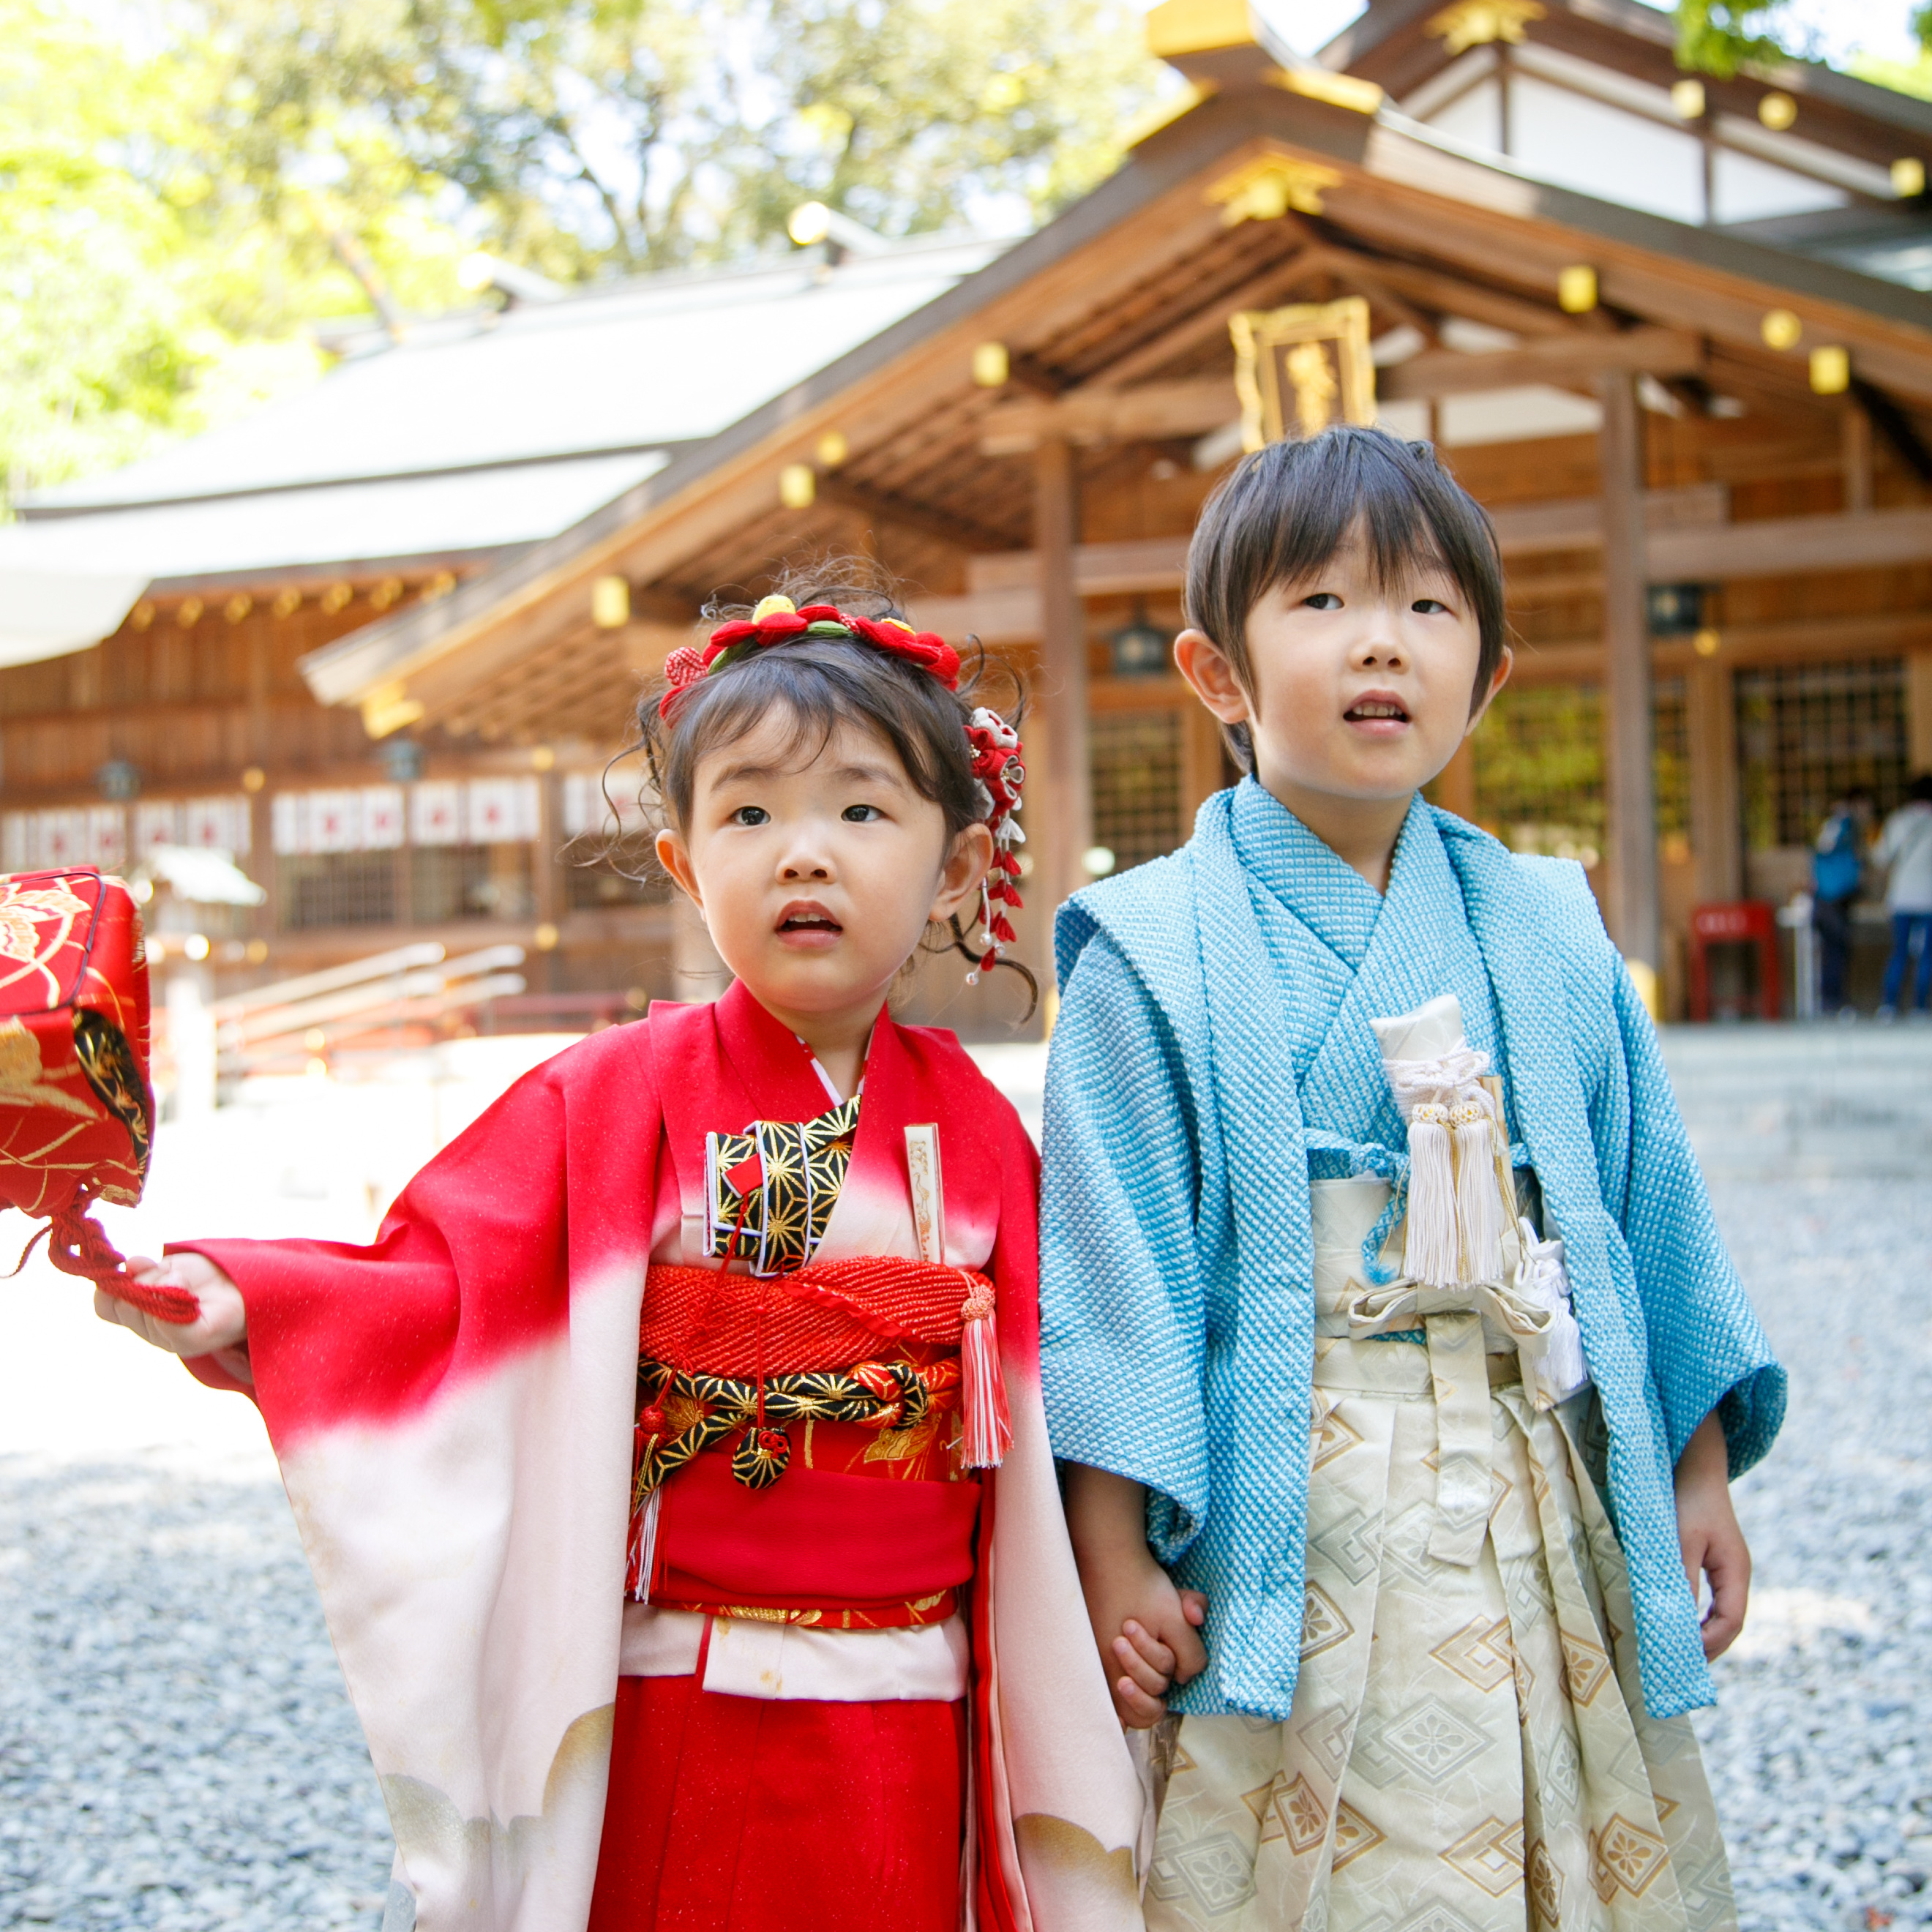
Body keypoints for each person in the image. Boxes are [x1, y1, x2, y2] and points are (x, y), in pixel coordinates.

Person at [96, 578, 1144, 1932]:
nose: (802, 854)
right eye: (749, 814)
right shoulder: (611, 1096)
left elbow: (1071, 1383)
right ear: (684, 863)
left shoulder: (982, 1132)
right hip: (672, 1687)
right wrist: (248, 1291)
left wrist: (1121, 1560)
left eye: (860, 810)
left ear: (957, 864)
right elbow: (442, 1286)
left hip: (911, 1692)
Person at [1038, 427, 1784, 1932]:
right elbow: (1117, 1278)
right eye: (1321, 601)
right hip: (1287, 1495)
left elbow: (1643, 1205)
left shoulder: (1548, 924)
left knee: (1547, 1814)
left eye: (1429, 607)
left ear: (1486, 677)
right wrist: (1111, 1552)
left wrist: (1694, 1470)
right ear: (1218, 675)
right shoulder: (1149, 951)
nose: (1381, 641)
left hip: (1528, 1472)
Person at [1875, 772, 1932, 1019]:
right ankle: (1920, 1006)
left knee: (1899, 951)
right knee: (1927, 954)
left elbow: (1880, 857)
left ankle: (1889, 1004)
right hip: (1929, 898)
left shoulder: (1897, 820)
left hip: (1901, 897)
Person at [1811, 787, 1870, 1016]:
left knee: (1837, 949)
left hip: (1836, 896)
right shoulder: (1841, 823)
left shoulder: (1845, 825)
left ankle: (1834, 1000)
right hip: (1831, 898)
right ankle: (1832, 1001)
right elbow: (1823, 848)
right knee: (1835, 949)